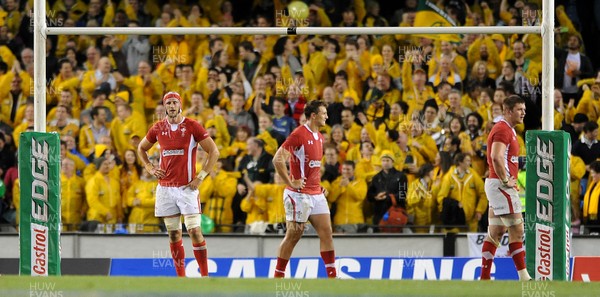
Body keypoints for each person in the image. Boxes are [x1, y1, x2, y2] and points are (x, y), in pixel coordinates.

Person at [137, 91, 220, 277]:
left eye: (174, 102)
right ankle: (181, 278)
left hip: (187, 188)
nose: (171, 106)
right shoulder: (158, 128)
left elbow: (214, 151)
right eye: (168, 103)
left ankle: (205, 276)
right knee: (174, 234)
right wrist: (150, 167)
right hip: (165, 189)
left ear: (180, 104)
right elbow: (141, 148)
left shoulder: (192, 126)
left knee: (194, 231)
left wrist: (201, 177)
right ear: (164, 106)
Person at [272, 100, 337, 278]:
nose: (327, 117)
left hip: (316, 193)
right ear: (314, 116)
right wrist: (290, 182)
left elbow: (313, 166)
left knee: (327, 233)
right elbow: (278, 159)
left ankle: (333, 277)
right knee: (294, 235)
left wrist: (318, 184)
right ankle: (278, 276)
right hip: (298, 195)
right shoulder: (299, 134)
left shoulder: (321, 137)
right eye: (324, 113)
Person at [480, 95, 531, 281]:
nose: (523, 112)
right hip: (501, 186)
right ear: (508, 111)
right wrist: (505, 179)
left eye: (524, 109)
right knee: (517, 231)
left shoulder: (508, 129)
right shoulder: (503, 129)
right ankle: (525, 278)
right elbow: (496, 156)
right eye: (519, 109)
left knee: (495, 232)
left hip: (495, 185)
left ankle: (484, 279)